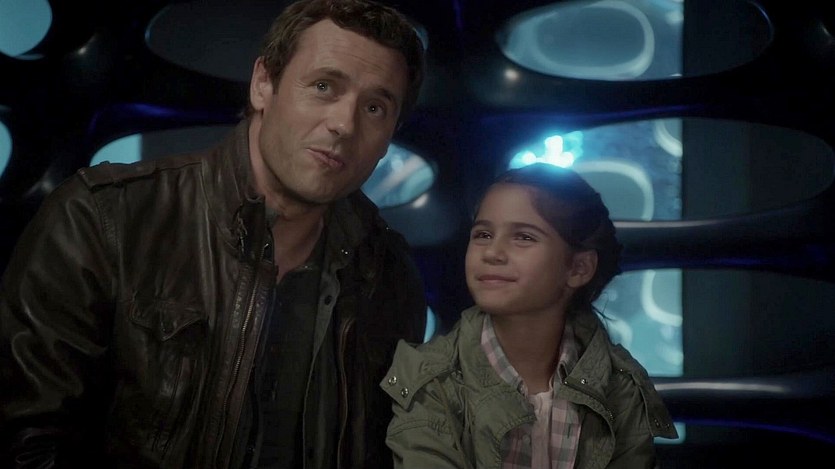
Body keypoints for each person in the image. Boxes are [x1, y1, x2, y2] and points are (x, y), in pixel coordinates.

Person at [0, 0, 427, 467]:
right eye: (324, 86)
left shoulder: (388, 273)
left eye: (375, 107)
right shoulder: (104, 219)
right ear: (263, 83)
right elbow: (29, 444)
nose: (344, 124)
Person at [381, 163, 678, 468]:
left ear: (579, 268)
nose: (492, 252)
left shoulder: (622, 386)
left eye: (523, 237)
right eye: (483, 234)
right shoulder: (429, 380)